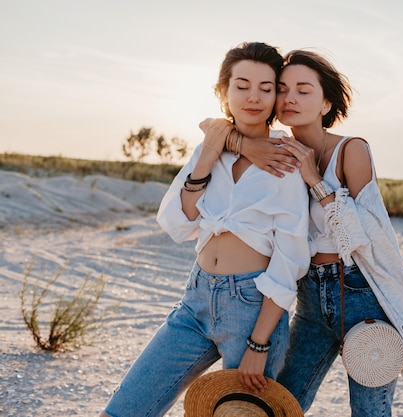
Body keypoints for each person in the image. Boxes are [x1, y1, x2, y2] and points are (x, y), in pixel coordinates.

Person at [99, 42, 310, 417]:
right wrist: (214, 153)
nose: (254, 97)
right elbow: (179, 224)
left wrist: (260, 343)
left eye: (266, 87)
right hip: (196, 298)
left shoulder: (286, 158)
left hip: (252, 308)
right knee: (124, 409)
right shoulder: (210, 146)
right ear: (223, 91)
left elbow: (290, 258)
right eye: (242, 85)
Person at [235, 49, 403, 416]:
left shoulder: (351, 151)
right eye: (282, 88)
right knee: (284, 404)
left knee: (370, 412)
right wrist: (243, 143)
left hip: (361, 297)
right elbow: (218, 132)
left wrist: (314, 180)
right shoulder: (276, 150)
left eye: (303, 90)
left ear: (326, 103)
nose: (290, 97)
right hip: (309, 297)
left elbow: (363, 234)